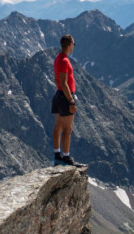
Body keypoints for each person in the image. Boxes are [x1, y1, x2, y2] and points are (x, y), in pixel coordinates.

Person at [51, 34, 85, 167]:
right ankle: (66, 157)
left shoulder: (57, 58)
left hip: (59, 95)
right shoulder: (64, 60)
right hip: (65, 96)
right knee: (67, 129)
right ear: (69, 45)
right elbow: (64, 83)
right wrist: (71, 101)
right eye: (74, 44)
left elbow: (56, 79)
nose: (74, 47)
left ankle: (57, 155)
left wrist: (60, 92)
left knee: (58, 126)